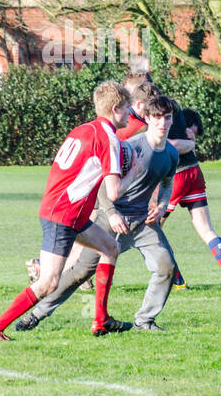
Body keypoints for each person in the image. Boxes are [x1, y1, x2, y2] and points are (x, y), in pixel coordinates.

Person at [14, 96, 182, 333]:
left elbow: (167, 185)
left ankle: (144, 321)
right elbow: (104, 183)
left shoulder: (172, 154)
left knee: (166, 267)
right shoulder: (130, 147)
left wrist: (163, 205)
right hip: (113, 220)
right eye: (157, 117)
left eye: (167, 118)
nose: (162, 123)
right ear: (147, 118)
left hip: (143, 222)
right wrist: (112, 214)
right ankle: (37, 314)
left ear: (172, 120)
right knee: (81, 272)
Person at [0, 80, 132, 342]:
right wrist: (136, 171)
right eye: (129, 108)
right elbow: (115, 192)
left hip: (69, 212)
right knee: (48, 282)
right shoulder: (109, 139)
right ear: (116, 108)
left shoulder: (83, 129)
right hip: (64, 214)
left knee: (110, 248)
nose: (131, 114)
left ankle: (101, 320)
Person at [163, 108, 221, 293]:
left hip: (175, 175)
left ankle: (178, 281)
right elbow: (190, 132)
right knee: (207, 230)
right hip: (194, 171)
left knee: (153, 230)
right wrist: (191, 139)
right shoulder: (178, 114)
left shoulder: (157, 112)